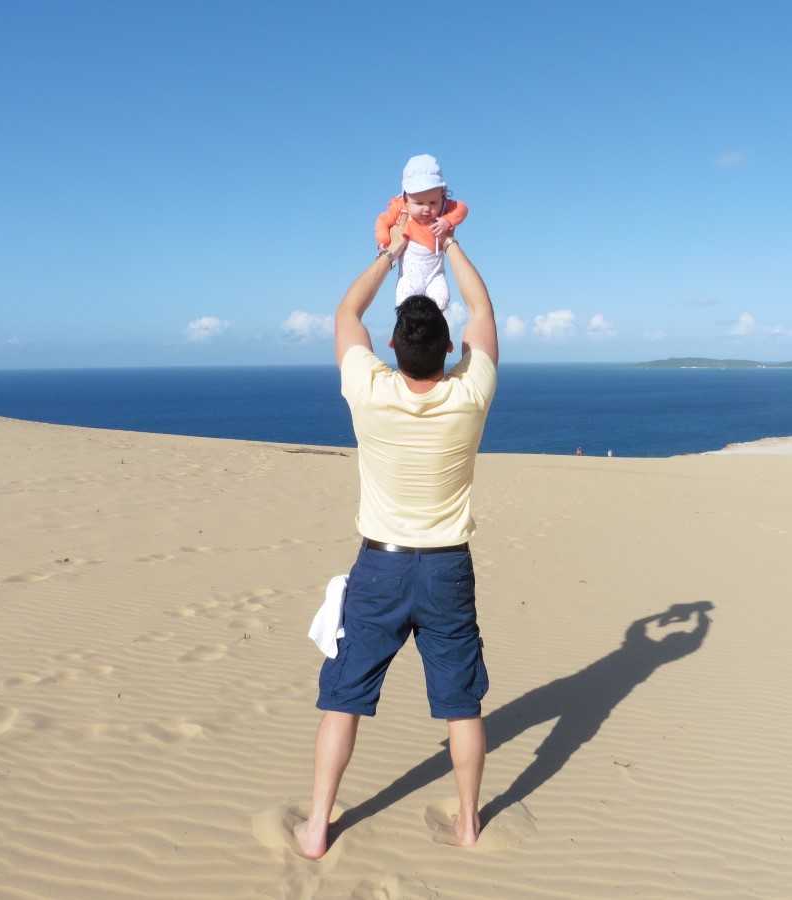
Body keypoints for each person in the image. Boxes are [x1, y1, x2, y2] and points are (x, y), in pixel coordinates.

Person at [295, 214, 499, 860]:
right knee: (461, 705)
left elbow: (343, 313)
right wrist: (448, 243)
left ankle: (318, 826)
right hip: (447, 571)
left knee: (343, 699)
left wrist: (390, 254)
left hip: (379, 571)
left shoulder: (370, 391)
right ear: (446, 350)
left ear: (392, 346)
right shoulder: (469, 395)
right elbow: (481, 308)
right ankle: (469, 825)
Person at [374, 154, 468, 313]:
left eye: (433, 203)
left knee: (441, 299)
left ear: (443, 195)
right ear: (405, 197)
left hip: (435, 274)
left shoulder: (445, 208)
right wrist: (384, 240)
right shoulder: (400, 208)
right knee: (404, 305)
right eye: (419, 203)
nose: (426, 208)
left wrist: (447, 221)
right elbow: (383, 221)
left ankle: (434, 331)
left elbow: (463, 208)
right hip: (409, 276)